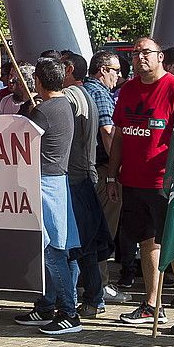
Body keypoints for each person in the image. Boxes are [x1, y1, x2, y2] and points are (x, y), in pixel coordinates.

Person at [110, 37, 174, 336]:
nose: (139, 58)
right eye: (135, 54)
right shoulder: (128, 90)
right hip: (133, 181)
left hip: (164, 182)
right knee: (148, 243)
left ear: (160, 57)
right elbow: (120, 135)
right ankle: (151, 304)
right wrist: (113, 175)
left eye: (145, 53)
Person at [12, 58, 83, 335]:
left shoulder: (43, 111)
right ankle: (47, 305)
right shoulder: (64, 105)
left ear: (38, 82)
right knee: (54, 250)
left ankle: (69, 312)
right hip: (57, 181)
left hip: (44, 183)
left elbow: (17, 138)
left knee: (51, 251)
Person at [60, 51, 111, 319]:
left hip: (76, 178)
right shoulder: (85, 96)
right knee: (84, 243)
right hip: (83, 175)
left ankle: (91, 297)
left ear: (68, 69)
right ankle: (91, 296)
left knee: (82, 245)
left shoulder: (70, 98)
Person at [83, 51, 129, 302]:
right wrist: (116, 169)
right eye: (115, 70)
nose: (118, 76)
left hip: (88, 168)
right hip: (103, 170)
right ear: (102, 70)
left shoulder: (81, 90)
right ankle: (100, 284)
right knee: (105, 227)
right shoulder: (100, 94)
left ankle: (92, 282)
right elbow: (109, 132)